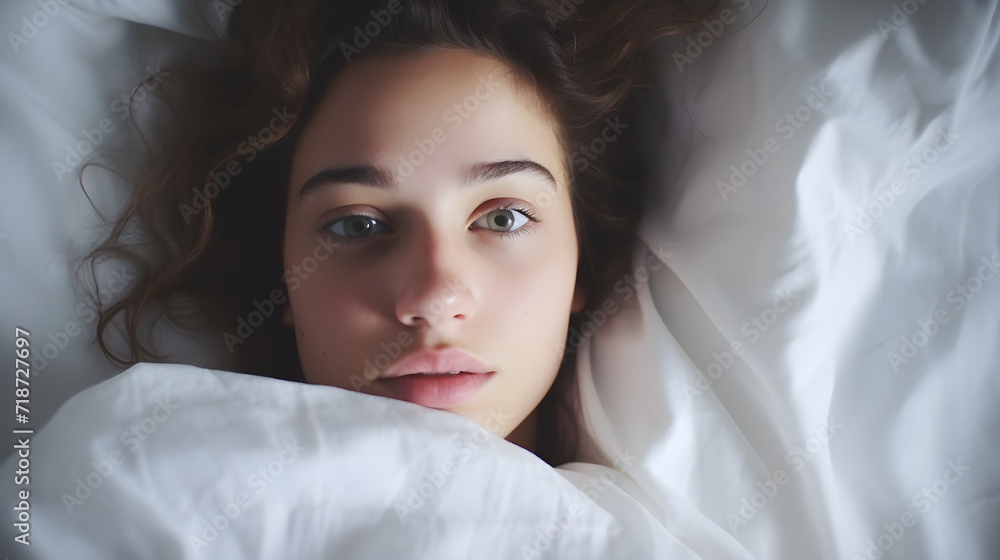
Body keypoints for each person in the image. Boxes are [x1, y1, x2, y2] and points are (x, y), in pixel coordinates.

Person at [83, 0, 717, 467]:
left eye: (503, 218)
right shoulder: (143, 479)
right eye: (358, 225)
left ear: (583, 260)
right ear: (281, 272)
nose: (433, 298)